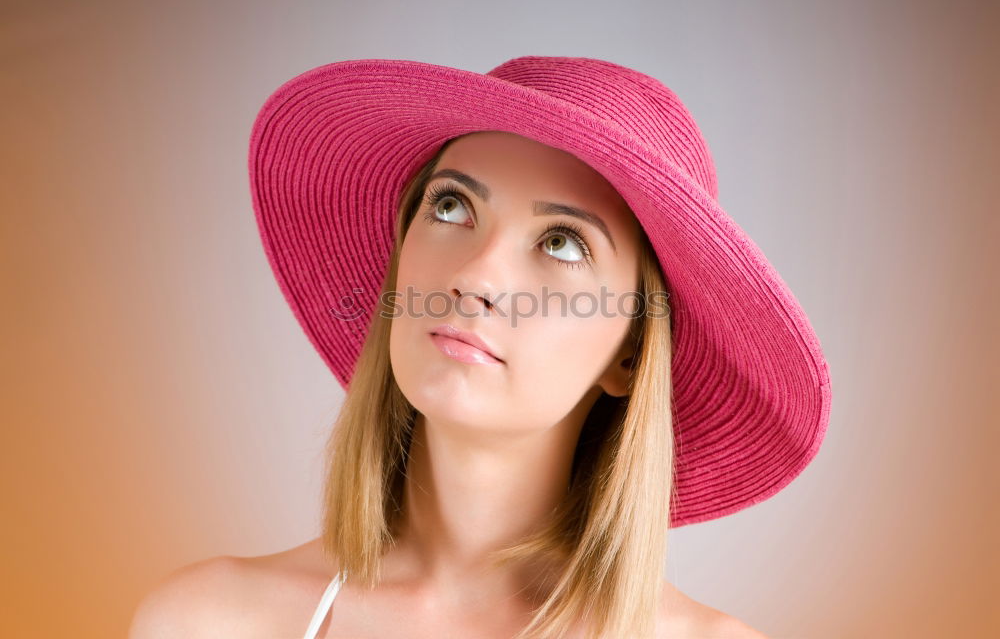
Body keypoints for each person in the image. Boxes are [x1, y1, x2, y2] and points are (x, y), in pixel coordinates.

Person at [129, 56, 830, 638]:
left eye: (561, 242)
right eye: (451, 205)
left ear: (629, 354)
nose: (474, 277)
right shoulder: (207, 622)